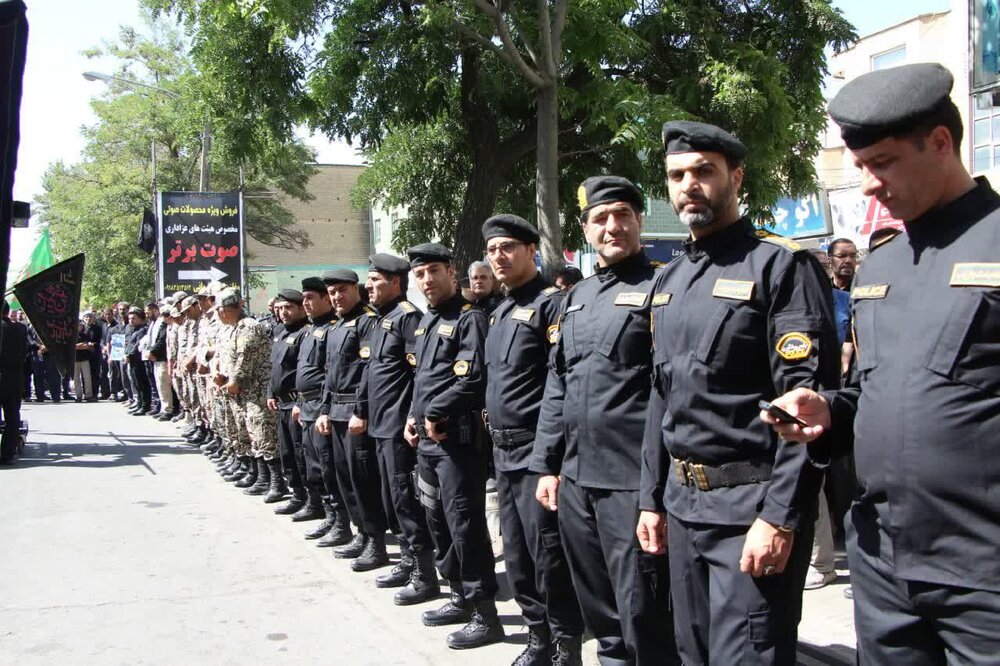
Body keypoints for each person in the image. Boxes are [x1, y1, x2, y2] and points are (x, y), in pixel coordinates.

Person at [764, 62, 1000, 665]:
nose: (868, 185)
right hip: (883, 563)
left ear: (940, 142)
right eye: (860, 166)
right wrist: (829, 411)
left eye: (882, 163)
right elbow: (880, 393)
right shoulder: (884, 264)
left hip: (983, 571)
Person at [636, 121, 838, 665]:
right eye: (677, 175)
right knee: (693, 653)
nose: (689, 185)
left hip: (751, 511)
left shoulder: (781, 265)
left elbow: (806, 407)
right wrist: (650, 499)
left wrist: (780, 517)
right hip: (683, 508)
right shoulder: (670, 279)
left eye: (704, 171)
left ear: (737, 177)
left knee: (749, 656)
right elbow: (662, 398)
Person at [532, 176, 677, 665]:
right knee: (599, 608)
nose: (612, 227)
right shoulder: (576, 297)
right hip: (576, 480)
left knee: (643, 611)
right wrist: (547, 464)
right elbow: (558, 382)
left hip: (630, 481)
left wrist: (654, 491)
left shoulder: (662, 286)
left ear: (639, 221)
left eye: (622, 216)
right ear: (586, 230)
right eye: (600, 219)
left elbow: (667, 392)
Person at [482, 214, 585, 665]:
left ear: (530, 251)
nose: (498, 257)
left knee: (548, 555)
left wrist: (550, 460)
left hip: (536, 454)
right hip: (502, 451)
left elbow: (560, 387)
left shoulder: (552, 305)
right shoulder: (500, 311)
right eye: (492, 250)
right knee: (518, 554)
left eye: (507, 247)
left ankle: (565, 644)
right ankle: (537, 636)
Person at [403, 242, 502, 649]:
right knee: (438, 521)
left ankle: (485, 614)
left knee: (465, 526)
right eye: (420, 274)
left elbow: (473, 379)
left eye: (433, 271)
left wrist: (434, 410)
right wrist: (413, 416)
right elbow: (422, 380)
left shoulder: (469, 319)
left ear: (450, 271)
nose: (427, 280)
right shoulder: (427, 321)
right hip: (428, 443)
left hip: (457, 443)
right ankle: (459, 595)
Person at [350, 253, 435, 599]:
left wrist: (412, 417)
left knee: (406, 500)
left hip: (400, 428)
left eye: (375, 280)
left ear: (395, 282)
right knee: (391, 500)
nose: (368, 286)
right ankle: (407, 559)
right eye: (369, 280)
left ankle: (424, 574)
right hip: (380, 426)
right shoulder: (381, 319)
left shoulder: (407, 318)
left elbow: (419, 374)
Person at [315, 269, 390, 570]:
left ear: (356, 289)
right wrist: (324, 409)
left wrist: (362, 411)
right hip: (336, 411)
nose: (337, 297)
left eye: (342, 290)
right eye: (332, 292)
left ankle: (376, 542)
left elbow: (368, 372)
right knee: (344, 477)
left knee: (364, 480)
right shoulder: (336, 327)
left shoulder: (366, 321)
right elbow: (329, 373)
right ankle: (361, 532)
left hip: (356, 414)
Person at [291, 276, 352, 545]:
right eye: (303, 298)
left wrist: (323, 407)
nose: (305, 303)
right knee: (314, 466)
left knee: (328, 467)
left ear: (326, 300)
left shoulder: (332, 329)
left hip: (322, 406)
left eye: (310, 298)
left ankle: (341, 523)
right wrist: (299, 401)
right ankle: (329, 516)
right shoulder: (309, 330)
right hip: (307, 406)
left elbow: (330, 373)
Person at [268, 289, 311, 515]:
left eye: (288, 308)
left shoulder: (306, 333)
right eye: (280, 308)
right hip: (281, 403)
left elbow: (303, 372)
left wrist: (300, 402)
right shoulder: (279, 332)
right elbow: (275, 367)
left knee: (301, 453)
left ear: (301, 308)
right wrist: (270, 393)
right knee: (287, 453)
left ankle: (312, 500)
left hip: (296, 403)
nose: (283, 312)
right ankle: (297, 494)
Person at [1, 301, 28, 464]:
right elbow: (24, 352)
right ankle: (8, 454)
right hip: (14, 377)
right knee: (12, 417)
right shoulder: (20, 329)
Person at [124, 307, 151, 415]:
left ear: (140, 318)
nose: (131, 321)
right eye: (130, 318)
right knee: (136, 383)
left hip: (139, 360)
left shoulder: (142, 330)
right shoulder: (133, 330)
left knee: (142, 383)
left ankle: (145, 405)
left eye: (134, 318)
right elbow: (129, 344)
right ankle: (139, 403)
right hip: (132, 361)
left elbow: (137, 345)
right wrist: (126, 354)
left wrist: (130, 355)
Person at [72, 318, 97, 402]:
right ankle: (78, 396)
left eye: (81, 325)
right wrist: (79, 345)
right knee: (76, 378)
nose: (80, 327)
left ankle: (88, 395)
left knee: (87, 377)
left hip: (85, 359)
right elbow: (71, 347)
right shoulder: (72, 336)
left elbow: (88, 346)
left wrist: (79, 346)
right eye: (78, 325)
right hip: (75, 360)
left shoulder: (85, 335)